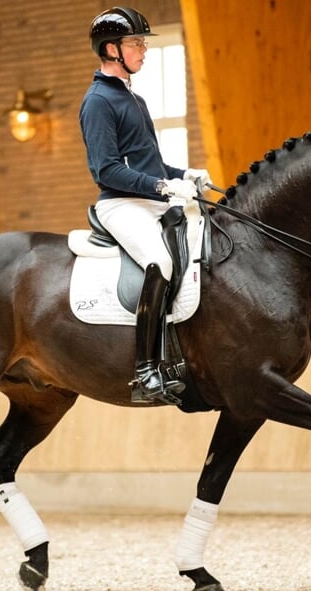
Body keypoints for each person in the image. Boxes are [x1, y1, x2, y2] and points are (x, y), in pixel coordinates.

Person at [80, 6, 212, 404]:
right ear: (111, 49)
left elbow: (147, 160)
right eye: (136, 43)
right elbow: (106, 171)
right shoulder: (99, 101)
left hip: (148, 199)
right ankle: (145, 369)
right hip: (121, 204)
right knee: (162, 262)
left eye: (143, 43)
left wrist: (184, 174)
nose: (143, 50)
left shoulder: (131, 98)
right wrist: (161, 186)